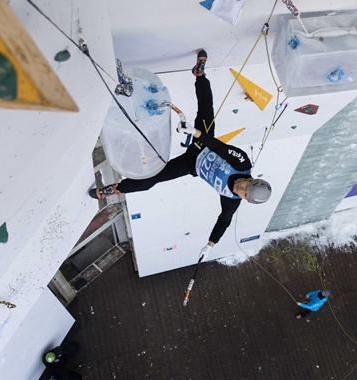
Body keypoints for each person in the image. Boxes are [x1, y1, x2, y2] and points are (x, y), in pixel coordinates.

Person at [88, 49, 272, 258]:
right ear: (251, 179)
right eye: (246, 186)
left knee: (151, 179)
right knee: (206, 109)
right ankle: (200, 75)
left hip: (191, 166)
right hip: (204, 146)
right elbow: (219, 147)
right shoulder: (242, 163)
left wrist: (210, 245)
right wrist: (195, 133)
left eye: (244, 194)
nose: (241, 189)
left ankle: (114, 189)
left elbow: (224, 221)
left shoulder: (232, 199)